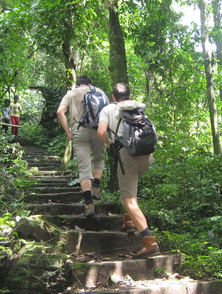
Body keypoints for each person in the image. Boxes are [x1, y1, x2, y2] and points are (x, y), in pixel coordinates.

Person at [97, 82, 160, 259]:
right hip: (147, 154)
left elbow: (102, 132)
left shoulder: (108, 109)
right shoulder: (138, 108)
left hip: (128, 155)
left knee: (129, 201)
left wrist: (109, 143)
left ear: (113, 97)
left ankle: (150, 242)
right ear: (129, 97)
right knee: (130, 188)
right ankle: (129, 221)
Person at [57, 76, 108, 217]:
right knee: (99, 158)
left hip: (79, 130)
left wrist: (68, 132)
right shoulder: (100, 91)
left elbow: (60, 111)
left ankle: (88, 204)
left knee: (84, 166)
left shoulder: (72, 93)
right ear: (90, 84)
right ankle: (96, 186)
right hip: (98, 130)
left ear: (77, 84)